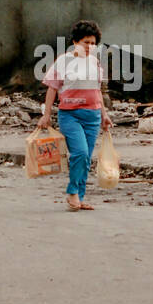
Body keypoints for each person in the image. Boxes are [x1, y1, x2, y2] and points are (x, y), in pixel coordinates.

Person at [38, 20, 112, 212]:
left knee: (86, 158)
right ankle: (72, 192)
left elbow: (97, 91)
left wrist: (104, 115)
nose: (90, 47)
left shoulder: (95, 62)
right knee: (79, 153)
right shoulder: (64, 61)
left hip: (93, 116)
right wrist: (46, 115)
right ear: (75, 42)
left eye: (94, 43)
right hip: (70, 116)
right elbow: (52, 89)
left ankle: (79, 197)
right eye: (86, 42)